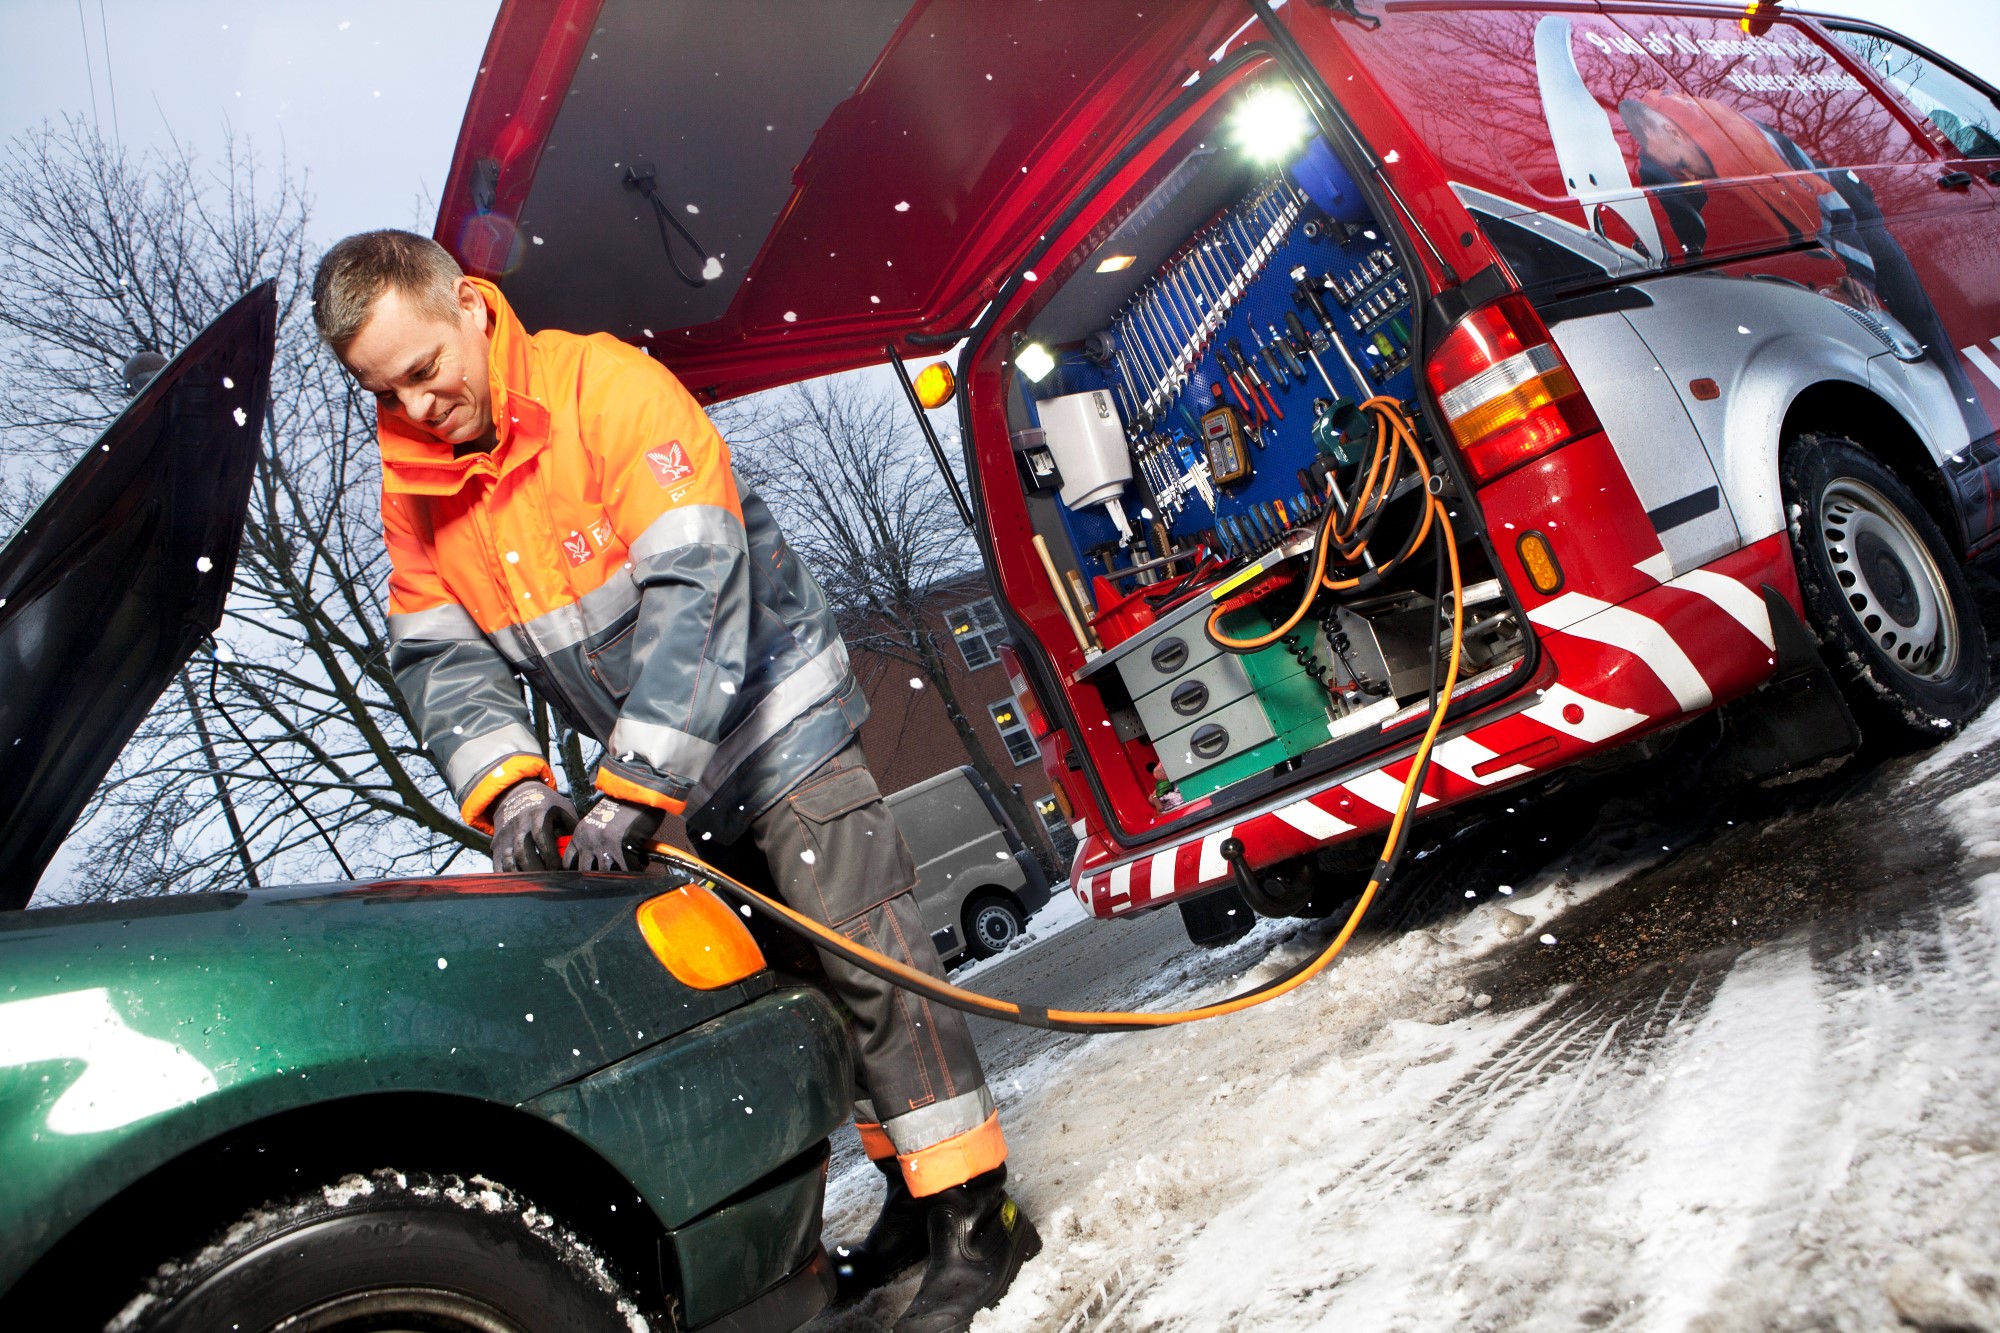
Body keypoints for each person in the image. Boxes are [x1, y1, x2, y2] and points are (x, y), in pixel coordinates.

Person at [311, 230, 1039, 1332]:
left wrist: (633, 783)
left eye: (424, 369)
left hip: (772, 722)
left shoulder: (605, 388)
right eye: (385, 390)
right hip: (670, 776)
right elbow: (439, 657)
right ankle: (910, 1202)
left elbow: (696, 588)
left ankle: (980, 1219)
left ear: (467, 302)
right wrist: (512, 787)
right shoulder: (415, 494)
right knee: (809, 1005)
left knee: (874, 972)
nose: (416, 406)